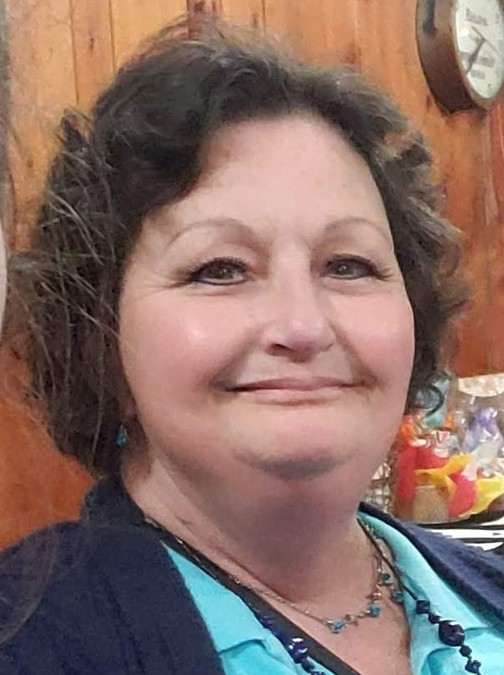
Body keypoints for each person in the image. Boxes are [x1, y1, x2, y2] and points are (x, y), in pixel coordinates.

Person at [1, 16, 503, 675]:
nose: (304, 326)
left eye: (348, 265)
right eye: (219, 269)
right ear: (99, 340)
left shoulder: (483, 590)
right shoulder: (32, 643)